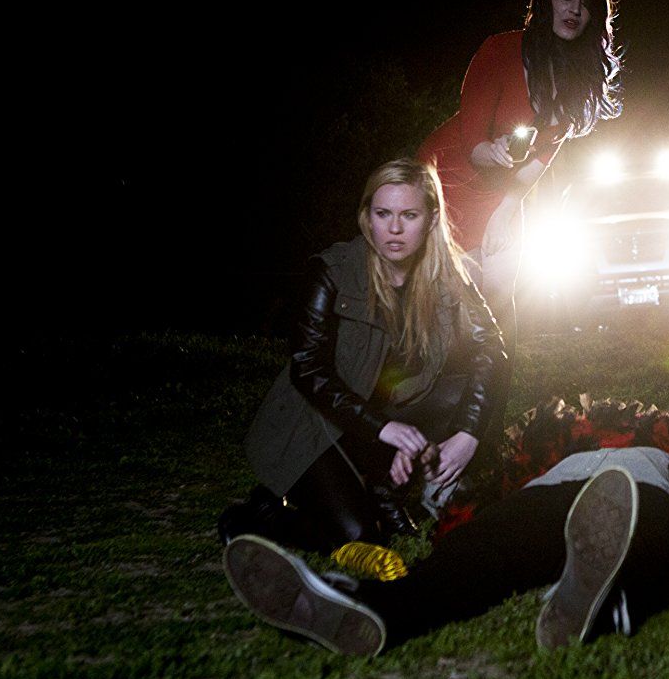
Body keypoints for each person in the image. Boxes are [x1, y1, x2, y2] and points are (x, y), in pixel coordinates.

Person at [221, 398, 669, 655]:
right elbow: (466, 498)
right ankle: (369, 609)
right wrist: (431, 478)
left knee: (640, 525)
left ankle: (602, 599)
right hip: (544, 503)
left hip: (640, 497)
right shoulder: (543, 465)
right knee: (480, 550)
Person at [218, 158, 509, 553]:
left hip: (381, 414)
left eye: (409, 215)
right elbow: (308, 369)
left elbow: (490, 346)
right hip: (313, 424)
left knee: (468, 388)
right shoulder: (334, 271)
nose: (394, 228)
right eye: (383, 213)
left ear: (430, 219)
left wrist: (468, 433)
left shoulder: (446, 274)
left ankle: (387, 488)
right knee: (360, 538)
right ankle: (263, 515)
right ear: (366, 217)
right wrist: (383, 430)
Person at [416, 0, 623, 346]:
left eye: (585, 4)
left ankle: (491, 382)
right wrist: (489, 151)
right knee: (446, 306)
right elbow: (473, 140)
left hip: (501, 191)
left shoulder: (576, 79)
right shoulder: (500, 50)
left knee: (498, 295)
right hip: (444, 180)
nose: (574, 10)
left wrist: (507, 209)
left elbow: (544, 154)